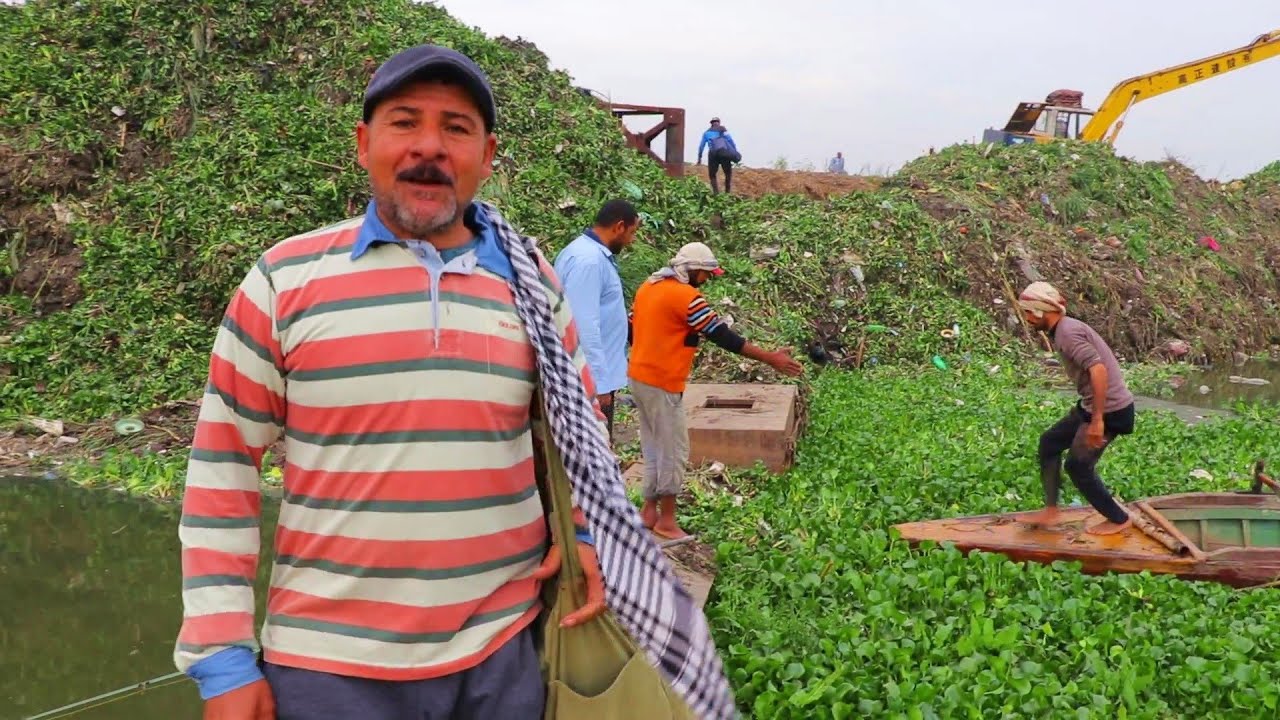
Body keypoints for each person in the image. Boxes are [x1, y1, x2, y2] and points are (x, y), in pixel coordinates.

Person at [172, 44, 740, 720]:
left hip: (500, 659)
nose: (430, 147)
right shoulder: (284, 281)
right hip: (327, 671)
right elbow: (223, 469)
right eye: (405, 122)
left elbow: (577, 431)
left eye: (457, 128)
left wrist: (585, 536)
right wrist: (224, 658)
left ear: (487, 155)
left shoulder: (528, 285)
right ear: (364, 143)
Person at [627, 242, 803, 539]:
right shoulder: (687, 298)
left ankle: (648, 511)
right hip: (663, 382)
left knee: (654, 447)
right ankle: (667, 521)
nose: (707, 280)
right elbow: (724, 337)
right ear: (693, 270)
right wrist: (770, 357)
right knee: (674, 451)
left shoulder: (649, 286)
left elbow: (631, 330)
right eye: (706, 274)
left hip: (638, 378)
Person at [1017, 281, 1136, 535]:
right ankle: (1051, 510)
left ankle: (1119, 519)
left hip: (1111, 410)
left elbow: (1098, 370)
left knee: (1078, 467)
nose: (1027, 318)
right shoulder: (1063, 330)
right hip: (1090, 406)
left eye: (1028, 312)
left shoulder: (1067, 333)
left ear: (1041, 311)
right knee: (1049, 443)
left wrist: (1097, 421)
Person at [553, 199, 640, 441]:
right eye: (631, 232)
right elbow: (583, 325)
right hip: (588, 384)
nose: (631, 240)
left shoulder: (587, 254)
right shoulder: (589, 261)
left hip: (589, 378)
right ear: (619, 226)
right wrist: (598, 384)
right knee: (594, 452)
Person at [696, 117, 739, 194]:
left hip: (713, 153)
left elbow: (701, 146)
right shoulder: (723, 129)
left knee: (712, 174)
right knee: (728, 173)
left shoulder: (706, 133)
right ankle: (727, 192)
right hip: (723, 152)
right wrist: (734, 152)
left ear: (711, 123)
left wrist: (699, 158)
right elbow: (730, 140)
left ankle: (716, 193)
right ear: (718, 122)